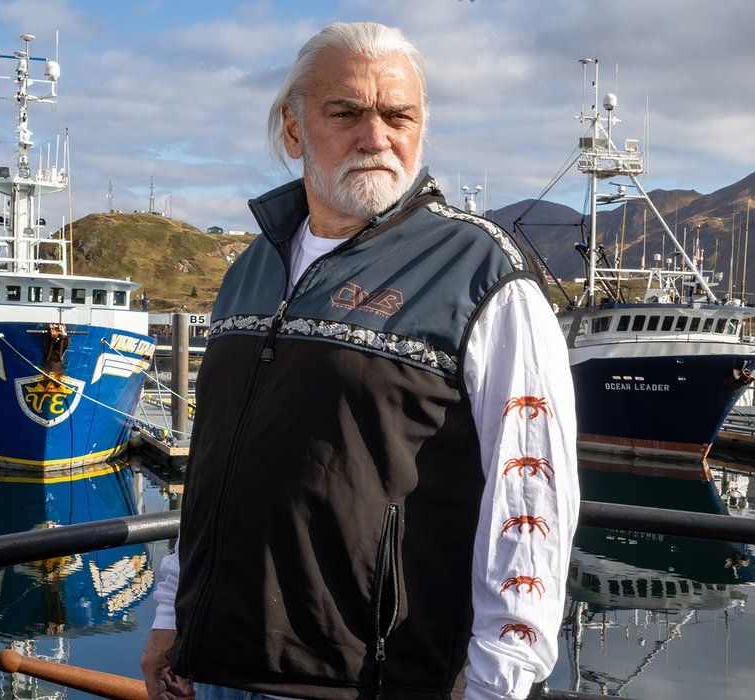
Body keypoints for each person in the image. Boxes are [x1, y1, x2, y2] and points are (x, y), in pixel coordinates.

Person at [140, 22, 577, 700]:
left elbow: (530, 497)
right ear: (293, 130)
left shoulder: (481, 275)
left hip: (370, 683)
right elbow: (211, 472)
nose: (375, 137)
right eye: (345, 112)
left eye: (397, 114)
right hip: (215, 669)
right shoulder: (250, 270)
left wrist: (499, 684)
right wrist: (172, 615)